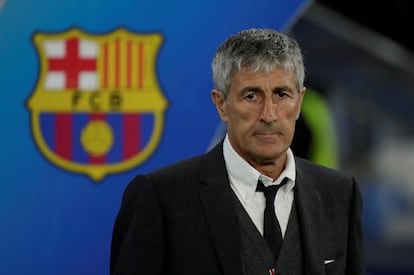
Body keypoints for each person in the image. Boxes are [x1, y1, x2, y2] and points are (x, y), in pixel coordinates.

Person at [110, 28, 365, 275]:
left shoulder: (340, 195)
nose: (269, 114)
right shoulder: (159, 198)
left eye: (281, 94)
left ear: (299, 102)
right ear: (221, 105)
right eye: (251, 96)